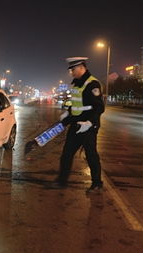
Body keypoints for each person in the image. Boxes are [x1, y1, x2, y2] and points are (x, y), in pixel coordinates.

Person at [52, 57, 105, 193]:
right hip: (76, 124)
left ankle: (97, 184)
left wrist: (89, 123)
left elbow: (99, 107)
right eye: (70, 70)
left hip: (88, 126)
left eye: (73, 69)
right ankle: (62, 181)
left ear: (82, 67)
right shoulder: (76, 84)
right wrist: (68, 113)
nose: (71, 72)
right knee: (67, 154)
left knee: (91, 155)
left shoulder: (92, 84)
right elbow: (76, 104)